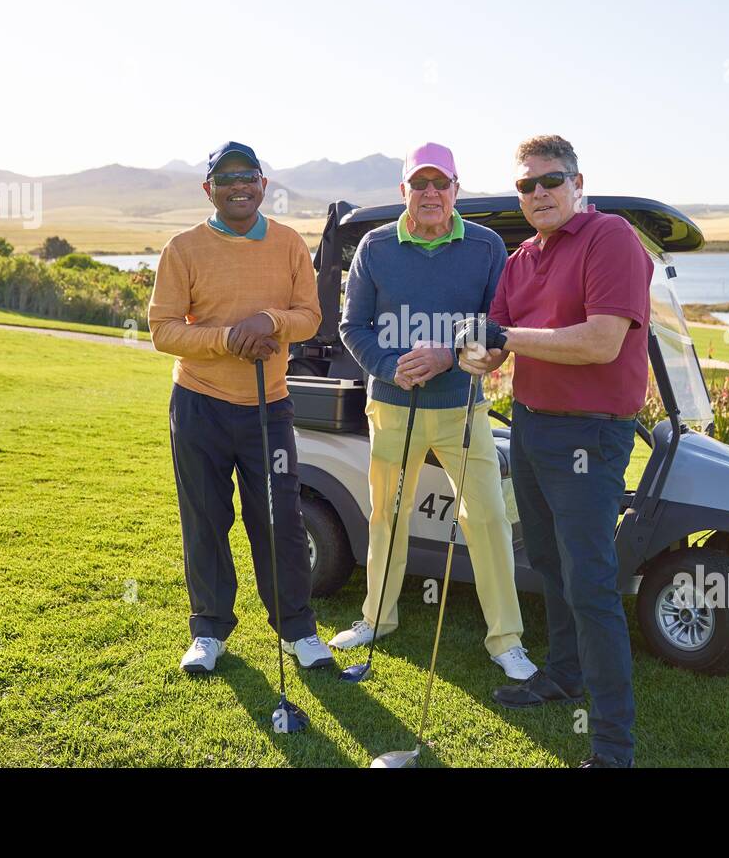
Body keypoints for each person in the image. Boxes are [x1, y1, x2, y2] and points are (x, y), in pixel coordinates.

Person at [457, 134, 651, 767]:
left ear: (577, 182)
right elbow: (495, 347)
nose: (538, 192)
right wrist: (477, 348)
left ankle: (612, 746)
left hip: (590, 436)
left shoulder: (610, 237)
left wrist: (505, 335)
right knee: (547, 562)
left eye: (551, 180)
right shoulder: (521, 259)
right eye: (526, 184)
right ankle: (565, 675)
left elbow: (600, 342)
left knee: (591, 582)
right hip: (534, 425)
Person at [332, 142, 537, 681]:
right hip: (393, 408)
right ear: (404, 191)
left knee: (489, 517)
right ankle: (377, 617)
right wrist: (388, 365)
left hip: (461, 410)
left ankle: (505, 639)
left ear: (455, 190)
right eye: (419, 184)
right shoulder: (375, 248)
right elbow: (352, 327)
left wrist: (450, 355)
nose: (429, 193)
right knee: (387, 516)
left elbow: (498, 329)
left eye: (439, 183)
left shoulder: (487, 247)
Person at [149, 141, 334, 674]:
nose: (238, 186)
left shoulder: (289, 243)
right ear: (209, 189)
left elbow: (310, 317)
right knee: (205, 518)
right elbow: (163, 330)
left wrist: (269, 323)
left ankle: (297, 630)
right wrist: (231, 337)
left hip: (268, 408)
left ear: (263, 185)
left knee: (279, 517)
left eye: (248, 176)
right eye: (226, 178)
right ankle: (209, 630)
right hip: (200, 404)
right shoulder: (182, 249)